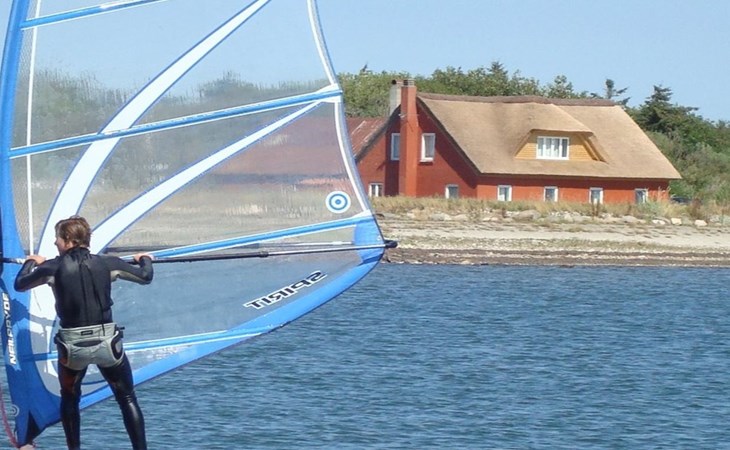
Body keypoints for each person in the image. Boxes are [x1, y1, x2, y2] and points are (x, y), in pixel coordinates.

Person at [14, 216, 154, 450]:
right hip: (107, 344)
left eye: (57, 238)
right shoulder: (109, 263)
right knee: (127, 398)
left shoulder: (52, 267)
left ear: (68, 239)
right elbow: (145, 276)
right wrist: (145, 259)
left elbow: (20, 284)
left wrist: (30, 262)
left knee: (70, 399)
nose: (55, 242)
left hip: (72, 348)